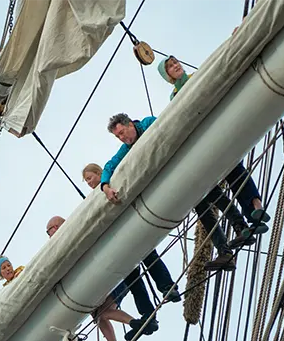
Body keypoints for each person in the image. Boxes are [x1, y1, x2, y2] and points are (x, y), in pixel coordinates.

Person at [100, 111, 241, 273]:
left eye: (122, 133)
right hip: (179, 180)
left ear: (130, 124)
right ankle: (225, 252)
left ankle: (239, 225)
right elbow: (110, 165)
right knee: (205, 214)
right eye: (118, 137)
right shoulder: (127, 149)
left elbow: (165, 133)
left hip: (187, 166)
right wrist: (105, 186)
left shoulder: (148, 124)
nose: (122, 138)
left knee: (214, 195)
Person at [157, 55, 271, 253]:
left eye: (175, 62)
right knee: (235, 172)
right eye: (170, 67)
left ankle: (255, 210)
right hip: (209, 139)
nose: (175, 66)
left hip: (216, 131)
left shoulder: (195, 78)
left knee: (235, 172)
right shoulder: (176, 96)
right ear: (167, 76)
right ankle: (253, 213)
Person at [46, 215, 150, 341]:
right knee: (99, 314)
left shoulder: (70, 239)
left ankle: (136, 324)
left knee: (102, 312)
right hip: (114, 276)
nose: (48, 236)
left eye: (48, 231)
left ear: (55, 228)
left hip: (117, 274)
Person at [81, 163, 181, 304]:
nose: (89, 182)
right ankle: (147, 312)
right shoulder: (92, 199)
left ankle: (168, 288)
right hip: (118, 237)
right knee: (131, 276)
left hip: (130, 227)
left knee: (149, 258)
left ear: (99, 173)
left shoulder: (112, 181)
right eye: (86, 181)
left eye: (90, 178)